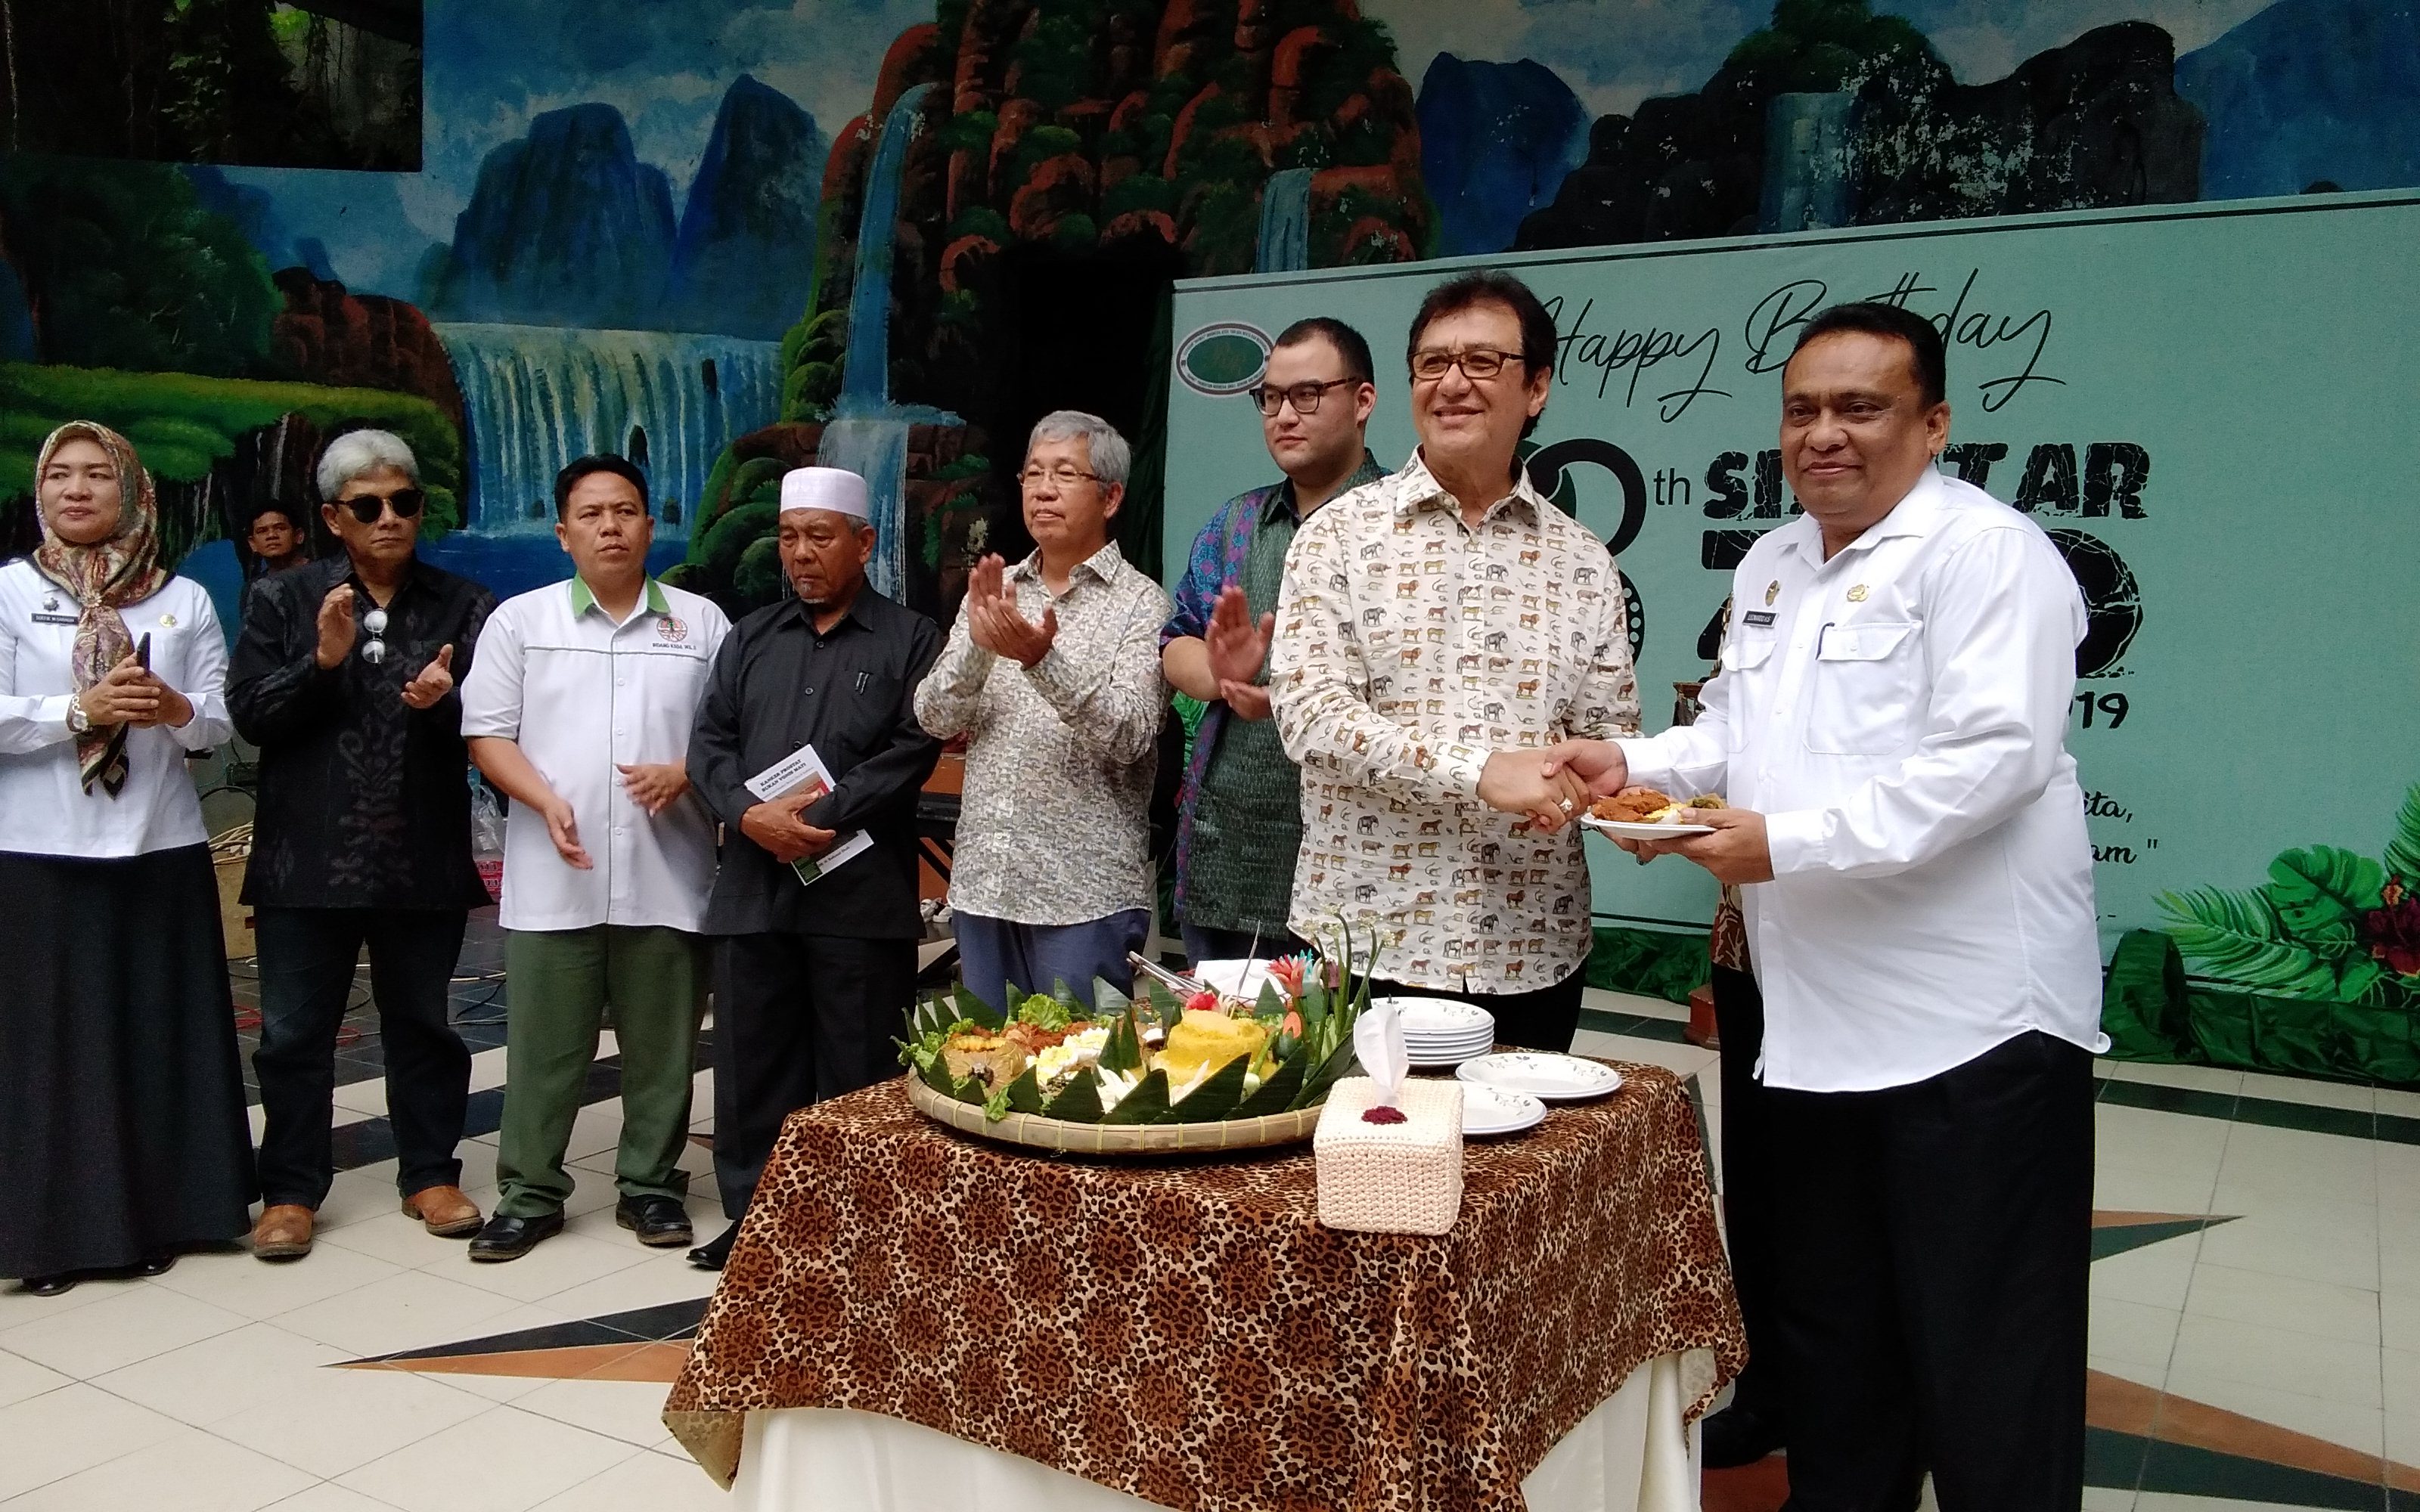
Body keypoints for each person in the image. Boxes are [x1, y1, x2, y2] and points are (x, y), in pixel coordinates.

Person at [1550, 302, 2104, 1510]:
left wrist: (1784, 845)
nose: (1824, 435)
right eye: (1803, 410)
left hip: (1973, 1035)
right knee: (1837, 1349)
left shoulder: (1989, 554)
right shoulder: (1775, 561)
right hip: (1812, 1029)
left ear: (1934, 424)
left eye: (1861, 408)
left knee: (1991, 1368)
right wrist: (1632, 766)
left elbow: (1995, 760)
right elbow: (1740, 729)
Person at [1267, 271, 1621, 1050]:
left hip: (1534, 944)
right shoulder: (1337, 536)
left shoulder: (1584, 561)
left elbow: (1603, 733)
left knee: (1524, 1138)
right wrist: (1480, 771)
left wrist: (1585, 792)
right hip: (1367, 943)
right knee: (1361, 1136)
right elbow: (1311, 718)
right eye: (1432, 363)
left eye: (1482, 362)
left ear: (1536, 388)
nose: (1452, 383)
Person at [229, 428, 497, 1263]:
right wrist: (320, 662)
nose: (389, 518)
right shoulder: (284, 599)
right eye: (369, 506)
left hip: (420, 852)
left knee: (425, 1024)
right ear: (333, 518)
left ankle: (430, 1174)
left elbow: (497, 726)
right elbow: (250, 716)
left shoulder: (465, 604)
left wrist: (444, 704)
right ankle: (290, 1191)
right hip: (304, 858)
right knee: (292, 1036)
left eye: (404, 502)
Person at [0, 422, 254, 1296]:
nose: (76, 490)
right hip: (38, 851)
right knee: (53, 1049)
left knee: (156, 1036)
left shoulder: (182, 599)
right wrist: (78, 710)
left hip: (158, 844)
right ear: (41, 491)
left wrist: (177, 706)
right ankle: (53, 1234)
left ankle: (170, 1214)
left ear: (133, 490)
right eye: (60, 475)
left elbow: (218, 719)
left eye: (97, 474)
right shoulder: (9, 590)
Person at [458, 456, 731, 1263]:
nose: (610, 527)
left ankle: (651, 1185)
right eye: (591, 514)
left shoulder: (702, 624)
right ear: (563, 533)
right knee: (544, 1051)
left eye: (625, 510)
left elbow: (729, 735)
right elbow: (487, 735)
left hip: (668, 869)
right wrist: (542, 800)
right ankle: (530, 1194)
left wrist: (685, 772)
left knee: (663, 1050)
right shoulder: (521, 621)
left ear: (649, 524)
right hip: (555, 875)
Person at [685, 466, 942, 1270]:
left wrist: (815, 818)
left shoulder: (911, 639)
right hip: (754, 886)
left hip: (858, 894)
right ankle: (756, 1222)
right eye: (790, 537)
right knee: (751, 1065)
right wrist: (747, 814)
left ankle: (855, 1231)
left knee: (858, 1069)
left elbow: (912, 748)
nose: (801, 553)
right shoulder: (750, 636)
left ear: (863, 543)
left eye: (820, 537)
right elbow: (708, 744)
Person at [916, 411, 1173, 1015]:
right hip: (985, 883)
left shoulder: (1143, 605)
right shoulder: (995, 590)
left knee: (1078, 1067)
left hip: (1083, 894)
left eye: (1064, 474)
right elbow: (931, 715)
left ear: (1111, 497)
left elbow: (1131, 733)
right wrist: (979, 649)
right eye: (1033, 474)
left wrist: (1041, 660)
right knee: (987, 1063)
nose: (1043, 490)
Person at [1161, 318, 1385, 968]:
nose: (1285, 415)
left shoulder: (1403, 527)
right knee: (1218, 1030)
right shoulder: (1236, 523)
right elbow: (1175, 644)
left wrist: (1289, 695)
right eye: (1271, 398)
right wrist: (1220, 674)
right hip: (1229, 849)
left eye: (1307, 395)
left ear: (1363, 401)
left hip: (1364, 861)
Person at [245, 504, 310, 577]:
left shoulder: (319, 574)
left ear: (298, 536)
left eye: (280, 528)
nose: (271, 535)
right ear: (253, 544)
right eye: (262, 531)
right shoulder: (258, 583)